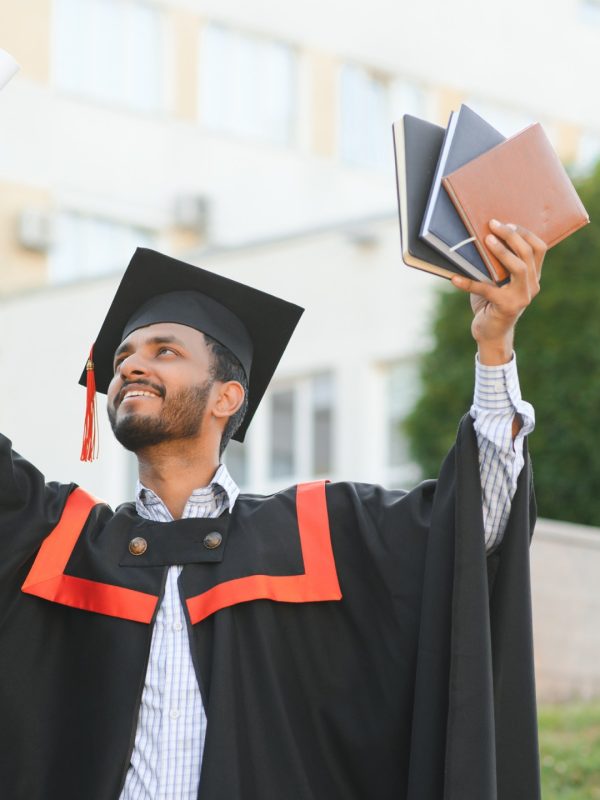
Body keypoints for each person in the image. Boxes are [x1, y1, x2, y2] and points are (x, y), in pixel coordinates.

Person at [0, 220, 544, 800]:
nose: (131, 366)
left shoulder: (318, 532)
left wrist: (494, 347)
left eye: (164, 351)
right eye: (123, 357)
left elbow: (472, 528)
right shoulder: (64, 541)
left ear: (226, 397)